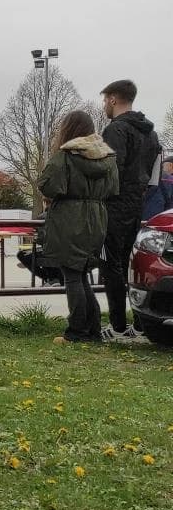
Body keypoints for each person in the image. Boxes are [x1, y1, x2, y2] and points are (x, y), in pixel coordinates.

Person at [37, 110, 118, 344]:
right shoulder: (108, 158)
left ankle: (77, 331)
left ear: (68, 129)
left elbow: (48, 186)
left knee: (72, 276)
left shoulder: (65, 156)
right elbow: (114, 189)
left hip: (70, 219)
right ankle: (92, 329)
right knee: (81, 275)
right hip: (97, 218)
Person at [97, 80, 161, 342]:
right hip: (137, 205)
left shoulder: (116, 131)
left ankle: (118, 327)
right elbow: (154, 177)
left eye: (105, 101)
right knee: (131, 266)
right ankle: (142, 325)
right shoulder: (151, 133)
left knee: (110, 266)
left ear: (113, 99)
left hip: (113, 206)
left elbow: (111, 171)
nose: (104, 106)